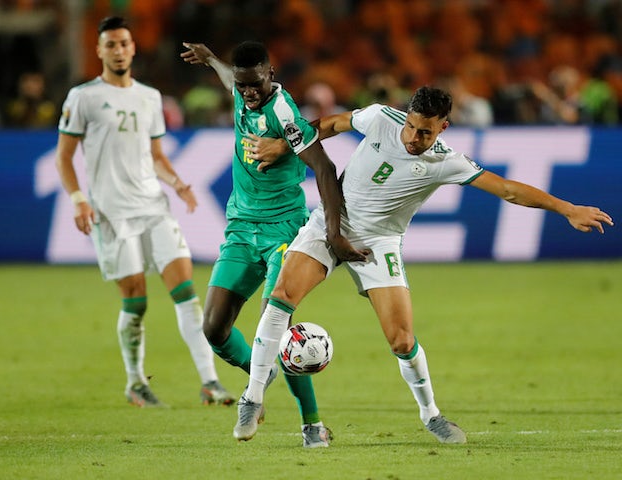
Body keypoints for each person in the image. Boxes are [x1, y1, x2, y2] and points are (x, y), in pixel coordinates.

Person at [238, 86, 614, 444]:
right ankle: (252, 399)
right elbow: (331, 124)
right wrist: (287, 146)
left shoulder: (445, 161)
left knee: (401, 339)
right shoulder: (380, 118)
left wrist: (568, 209)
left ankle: (431, 415)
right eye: (413, 127)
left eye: (426, 132)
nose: (415, 138)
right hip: (330, 223)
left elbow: (509, 190)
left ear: (443, 127)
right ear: (406, 117)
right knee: (282, 295)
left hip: (379, 242)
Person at [180, 41, 366, 447]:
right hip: (241, 228)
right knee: (213, 327)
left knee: (276, 325)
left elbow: (324, 166)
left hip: (283, 230)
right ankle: (259, 376)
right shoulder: (241, 89)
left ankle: (311, 425)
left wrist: (333, 232)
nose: (247, 92)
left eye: (254, 84)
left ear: (271, 73)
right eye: (242, 85)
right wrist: (212, 58)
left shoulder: (284, 113)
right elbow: (230, 77)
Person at [55, 16, 233, 409]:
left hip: (154, 207)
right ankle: (136, 382)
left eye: (124, 43)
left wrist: (178, 183)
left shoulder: (150, 98)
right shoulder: (82, 97)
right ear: (99, 50)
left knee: (187, 295)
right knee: (136, 302)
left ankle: (210, 382)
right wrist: (77, 199)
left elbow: (155, 157)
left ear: (133, 48)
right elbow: (64, 157)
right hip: (111, 213)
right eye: (111, 44)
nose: (119, 50)